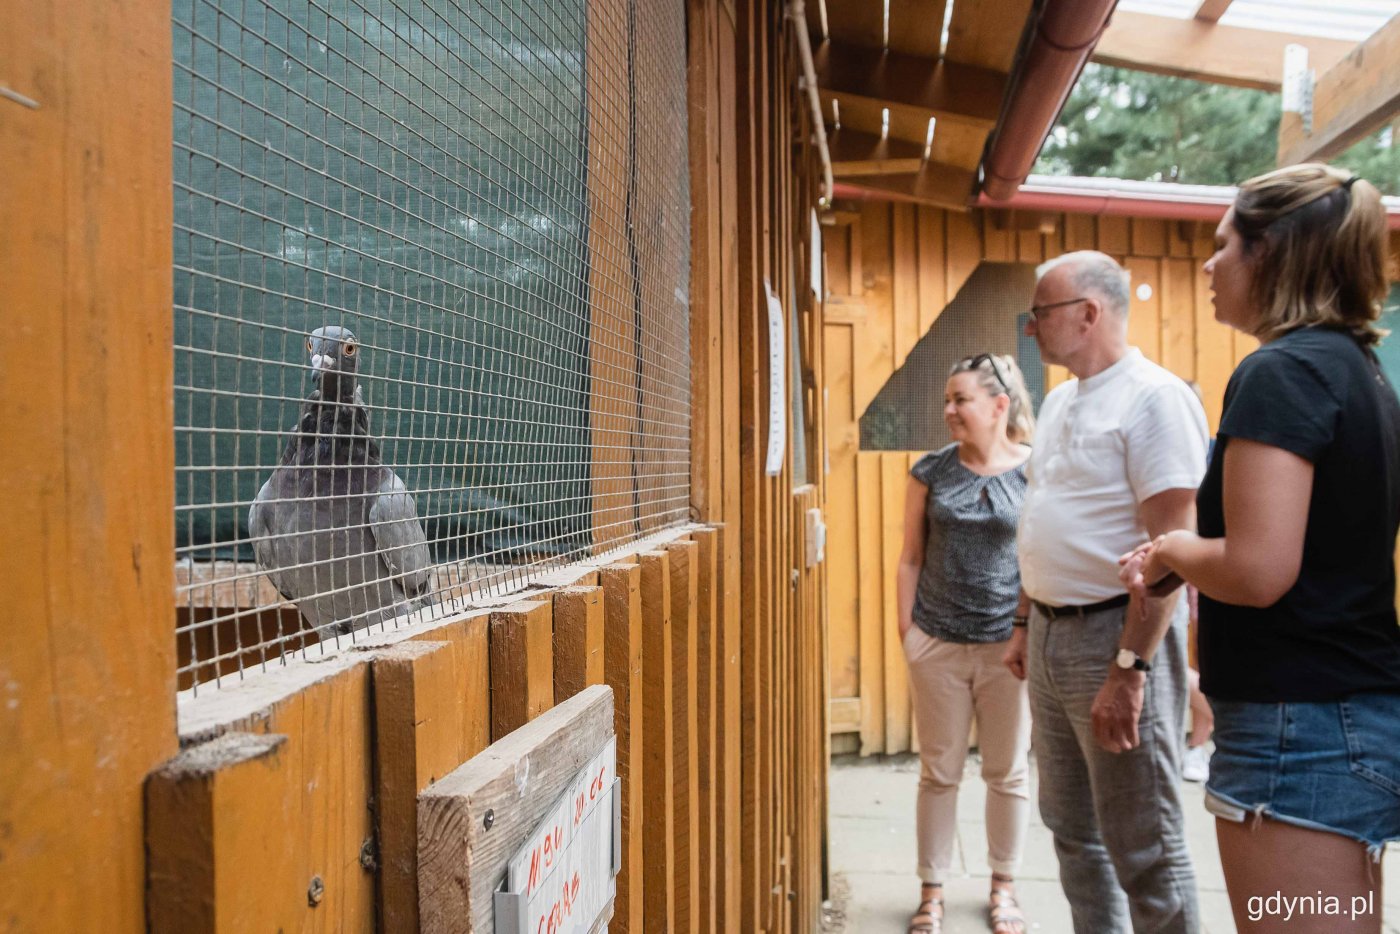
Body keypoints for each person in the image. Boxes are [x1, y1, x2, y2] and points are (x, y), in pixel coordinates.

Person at [1120, 164, 1400, 933]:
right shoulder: (1357, 370)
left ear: (1271, 252)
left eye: (1223, 246)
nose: (1209, 265)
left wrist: (1173, 546)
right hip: (1332, 717)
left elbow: (1257, 569)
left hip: (1299, 730)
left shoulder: (1283, 371)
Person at [1004, 250, 1206, 933]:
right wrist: (1026, 621)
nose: (1031, 329)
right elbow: (1045, 516)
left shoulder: (1155, 398)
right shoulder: (1061, 399)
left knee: (1143, 841)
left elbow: (1173, 553)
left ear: (1089, 314)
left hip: (1116, 637)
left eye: (1041, 313)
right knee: (1071, 828)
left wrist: (1130, 668)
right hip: (1056, 636)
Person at [897, 353, 1035, 934]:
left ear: (999, 405)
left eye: (961, 400)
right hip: (938, 645)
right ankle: (932, 892)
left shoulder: (1035, 469)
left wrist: (1030, 631)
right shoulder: (929, 471)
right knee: (939, 772)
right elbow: (909, 558)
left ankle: (1004, 888)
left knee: (1006, 774)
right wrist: (908, 636)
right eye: (947, 400)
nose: (949, 410)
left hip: (1011, 648)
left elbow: (1041, 556)